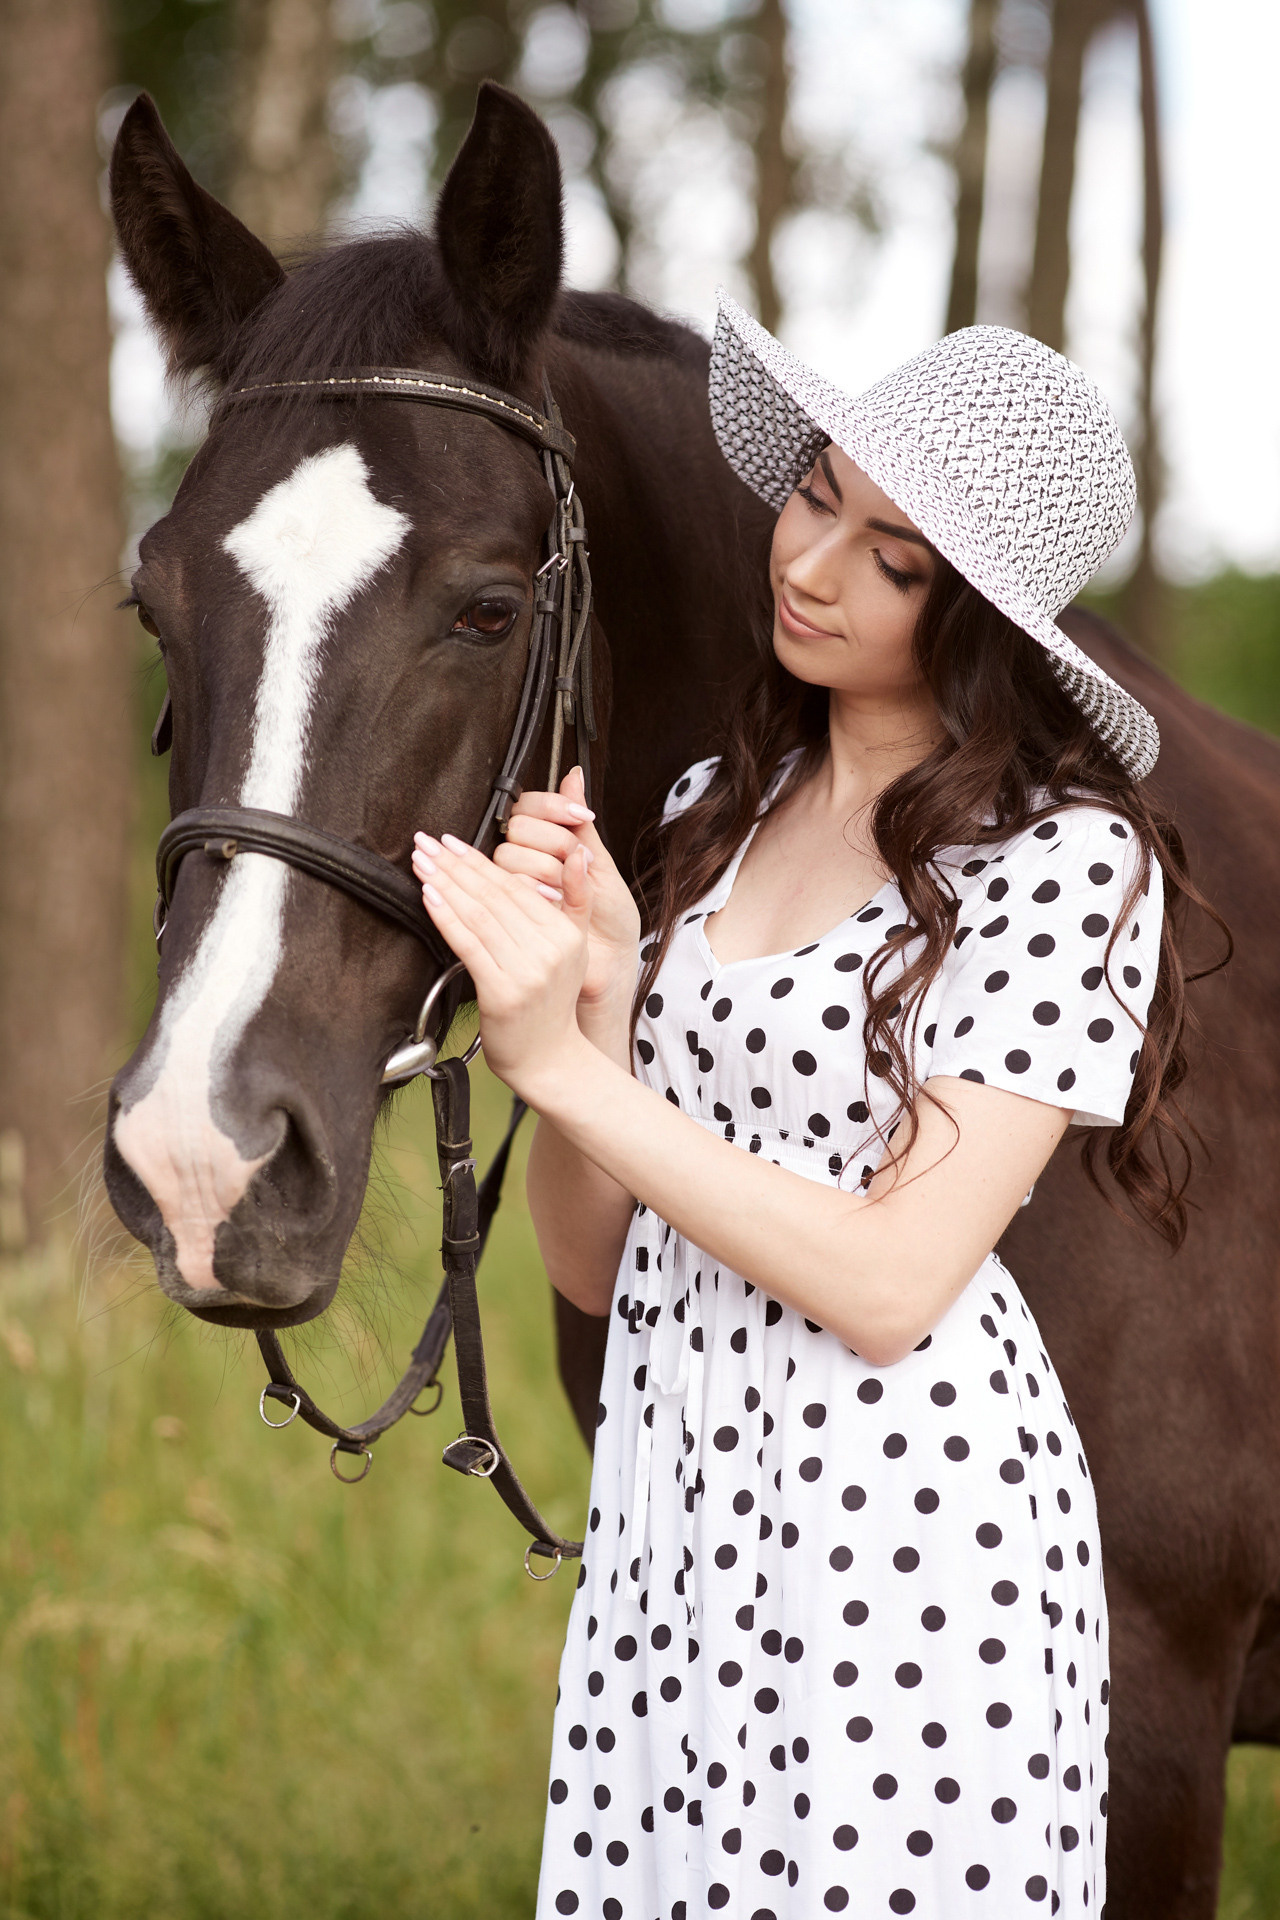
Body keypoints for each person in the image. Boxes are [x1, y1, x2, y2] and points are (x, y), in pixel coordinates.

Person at [411, 298, 1199, 1920]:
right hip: (678, 1516)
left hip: (903, 1539)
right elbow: (589, 1268)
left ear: (975, 612)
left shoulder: (1063, 864)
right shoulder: (718, 808)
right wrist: (598, 1022)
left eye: (895, 558)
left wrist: (561, 1068)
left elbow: (892, 1283)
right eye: (819, 491)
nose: (815, 564)